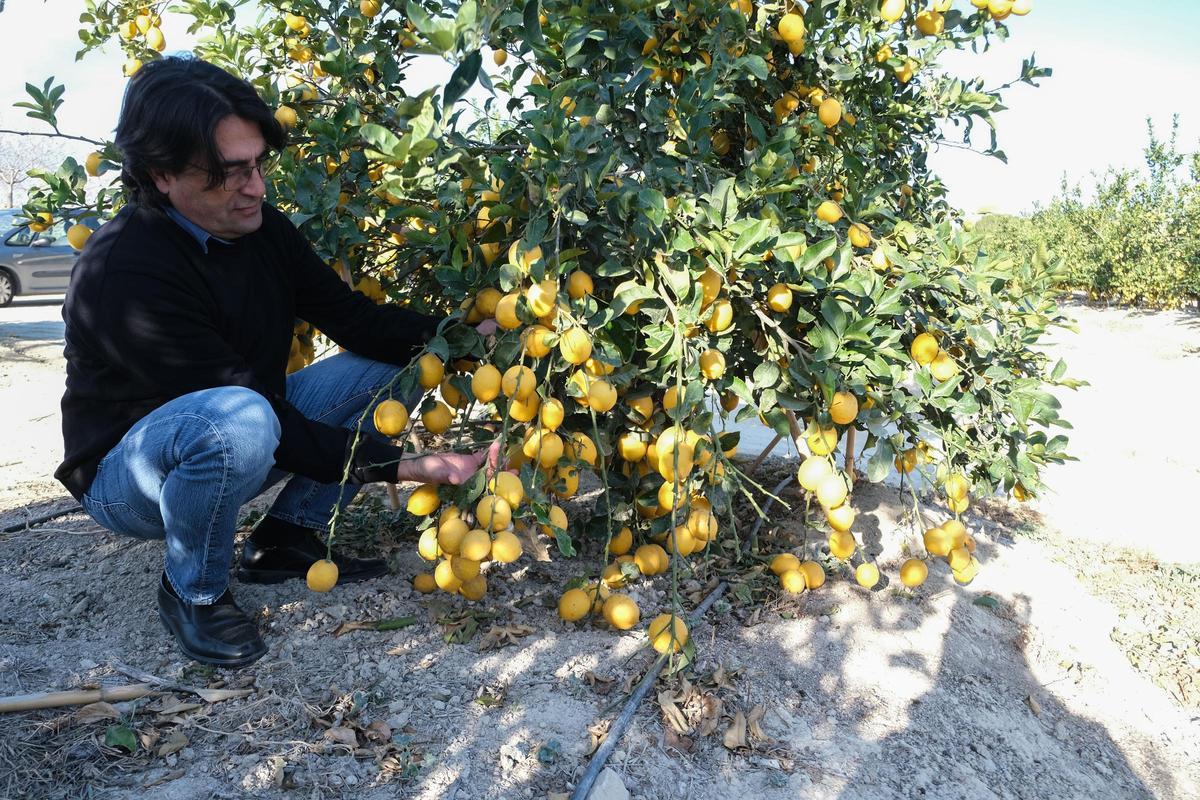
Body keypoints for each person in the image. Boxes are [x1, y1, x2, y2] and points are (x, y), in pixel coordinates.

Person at [55, 56, 494, 668]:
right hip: (130, 476)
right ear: (161, 175)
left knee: (399, 364)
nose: (256, 187)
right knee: (240, 419)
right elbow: (253, 416)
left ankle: (285, 540)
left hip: (244, 427)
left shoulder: (263, 231)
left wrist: (470, 338)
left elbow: (356, 322)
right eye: (230, 174)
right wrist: (406, 465)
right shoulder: (125, 272)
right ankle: (192, 590)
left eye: (258, 165)